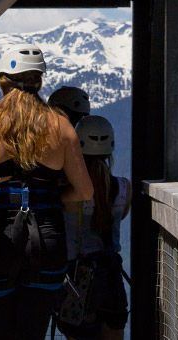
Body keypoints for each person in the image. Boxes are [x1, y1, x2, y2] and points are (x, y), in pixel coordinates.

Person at [0, 44, 94, 340]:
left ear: (3, 80)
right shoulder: (61, 126)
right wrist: (56, 196)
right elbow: (85, 191)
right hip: (48, 235)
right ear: (39, 80)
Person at [58, 115, 131, 340]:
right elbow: (119, 217)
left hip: (78, 282)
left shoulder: (69, 194)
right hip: (112, 280)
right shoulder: (123, 189)